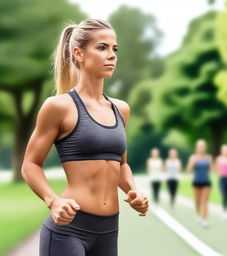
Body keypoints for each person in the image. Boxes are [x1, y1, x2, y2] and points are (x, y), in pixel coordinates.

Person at [21, 18, 148, 256]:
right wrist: (53, 201)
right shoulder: (59, 107)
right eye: (102, 47)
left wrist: (134, 190)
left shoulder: (121, 109)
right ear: (78, 54)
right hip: (68, 231)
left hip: (109, 230)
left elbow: (120, 165)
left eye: (114, 49)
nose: (112, 55)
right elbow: (30, 164)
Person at [186, 139, 213, 228]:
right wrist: (192, 164)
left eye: (203, 146)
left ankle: (205, 220)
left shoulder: (208, 158)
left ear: (205, 148)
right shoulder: (193, 157)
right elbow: (188, 171)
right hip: (197, 182)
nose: (201, 148)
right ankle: (198, 215)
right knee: (197, 201)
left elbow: (211, 170)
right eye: (200, 146)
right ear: (197, 148)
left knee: (204, 201)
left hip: (206, 182)